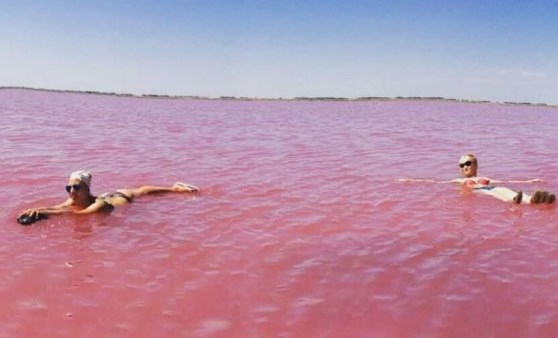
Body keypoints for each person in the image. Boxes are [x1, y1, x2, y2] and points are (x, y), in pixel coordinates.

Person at [17, 170, 199, 225]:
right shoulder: (73, 199)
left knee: (141, 192)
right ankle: (174, 188)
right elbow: (59, 207)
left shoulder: (99, 205)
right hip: (108, 194)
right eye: (69, 187)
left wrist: (45, 215)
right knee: (140, 190)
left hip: (117, 199)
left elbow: (77, 215)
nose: (71, 191)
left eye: (76, 187)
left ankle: (175, 189)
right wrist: (37, 211)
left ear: (86, 189)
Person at [399, 153, 556, 205]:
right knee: (497, 194)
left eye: (467, 163)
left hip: (491, 187)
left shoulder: (485, 177)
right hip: (481, 191)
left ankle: (532, 200)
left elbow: (504, 182)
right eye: (461, 165)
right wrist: (411, 181)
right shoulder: (459, 181)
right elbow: (436, 183)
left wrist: (529, 182)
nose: (464, 166)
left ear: (475, 165)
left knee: (504, 190)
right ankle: (519, 200)